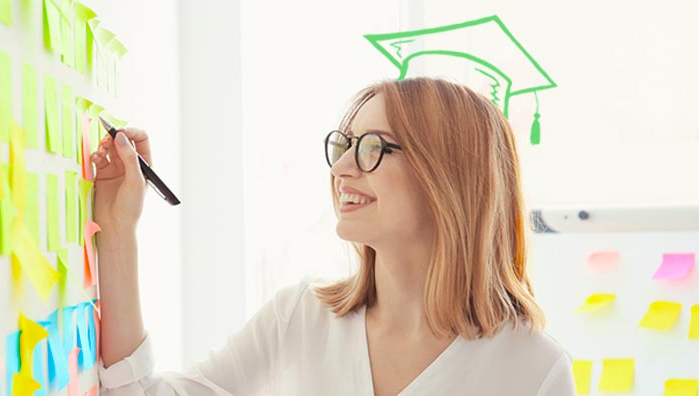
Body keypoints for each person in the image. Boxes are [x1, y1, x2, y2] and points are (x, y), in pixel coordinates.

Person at [91, 77, 576, 395]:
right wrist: (117, 230)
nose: (342, 169)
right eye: (343, 145)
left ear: (448, 176)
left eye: (371, 148)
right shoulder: (300, 317)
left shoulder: (534, 370)